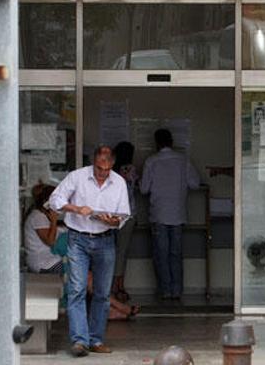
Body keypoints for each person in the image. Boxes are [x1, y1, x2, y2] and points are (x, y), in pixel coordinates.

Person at [49, 145, 130, 357]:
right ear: (93, 162)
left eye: (105, 169)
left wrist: (113, 221)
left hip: (105, 239)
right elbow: (54, 200)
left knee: (102, 293)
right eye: (98, 168)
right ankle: (79, 341)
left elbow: (123, 215)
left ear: (112, 165)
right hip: (78, 238)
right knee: (77, 289)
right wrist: (76, 208)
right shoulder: (77, 176)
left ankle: (96, 339)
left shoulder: (119, 182)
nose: (101, 173)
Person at [140, 129, 201, 300]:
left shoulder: (151, 161)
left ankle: (165, 290)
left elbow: (144, 189)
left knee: (161, 253)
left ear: (157, 143)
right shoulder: (183, 160)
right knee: (176, 253)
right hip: (178, 213)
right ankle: (177, 290)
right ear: (172, 142)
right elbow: (195, 184)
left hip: (158, 214)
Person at [111, 141, 138, 302]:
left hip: (111, 216)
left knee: (111, 251)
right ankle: (119, 286)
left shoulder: (111, 172)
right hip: (127, 216)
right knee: (122, 252)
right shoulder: (131, 170)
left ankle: (112, 286)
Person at [24, 184, 64, 274]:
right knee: (83, 272)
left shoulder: (42, 216)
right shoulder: (38, 217)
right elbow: (50, 241)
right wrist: (54, 221)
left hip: (50, 259)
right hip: (44, 263)